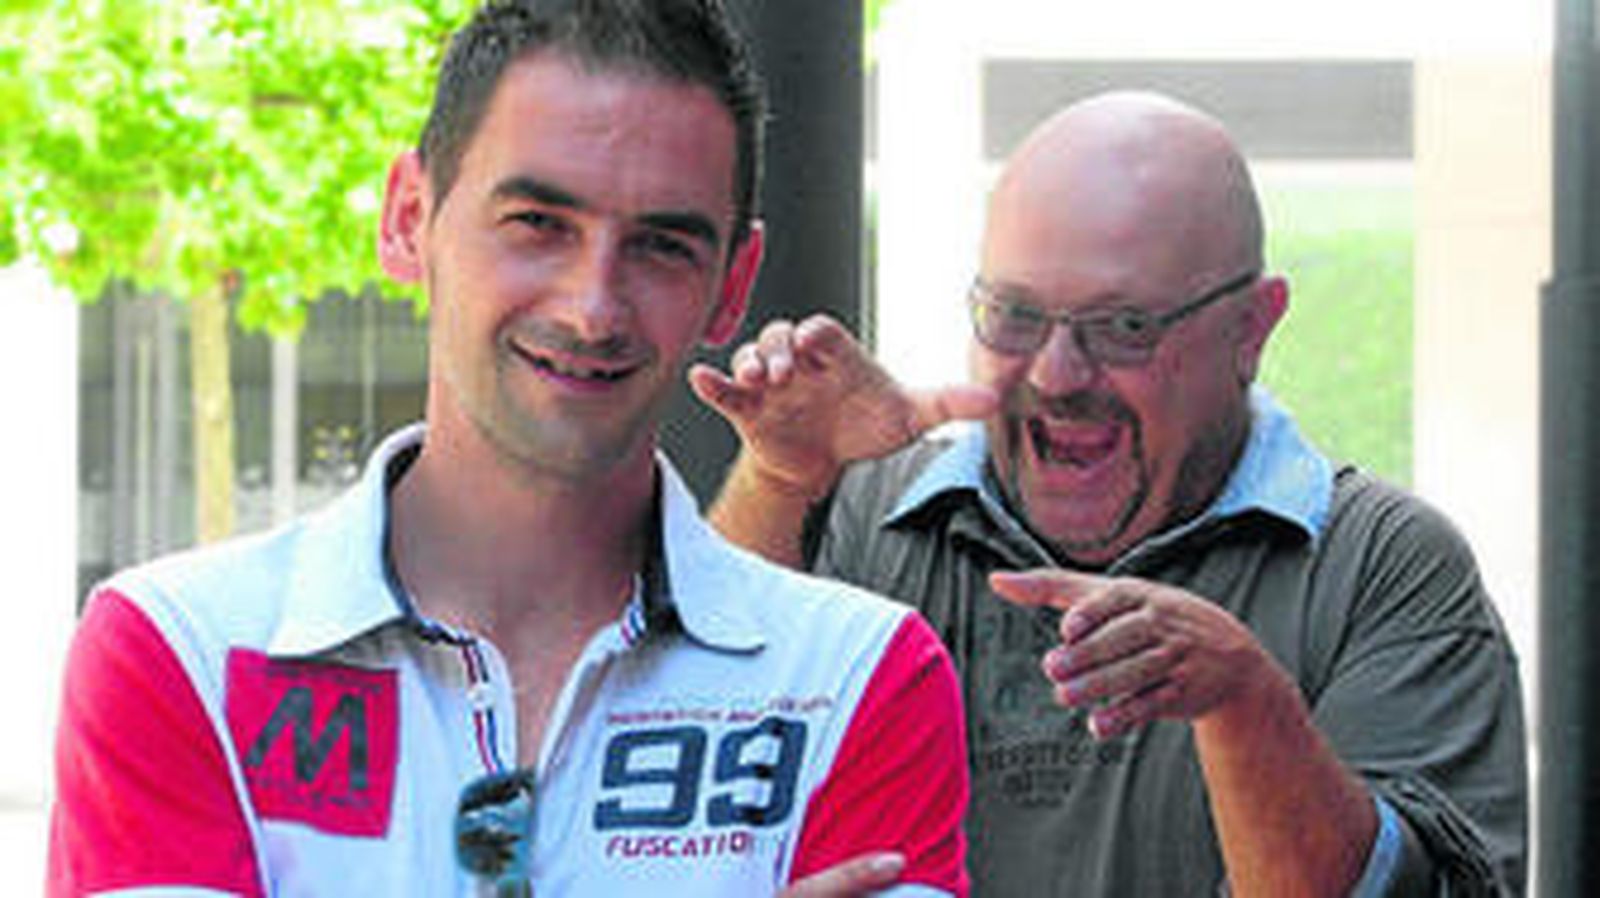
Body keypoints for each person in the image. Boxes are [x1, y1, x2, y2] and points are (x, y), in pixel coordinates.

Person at [47, 2, 969, 895]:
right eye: (538, 224)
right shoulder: (182, 648)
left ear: (734, 285)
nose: (592, 308)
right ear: (408, 217)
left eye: (660, 246)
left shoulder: (858, 679)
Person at [692, 91, 1526, 896]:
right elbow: (677, 763)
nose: (1057, 375)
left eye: (1125, 327)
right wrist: (780, 480)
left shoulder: (1378, 565)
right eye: (1015, 316)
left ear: (1252, 328)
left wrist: (1245, 702)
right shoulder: (870, 516)